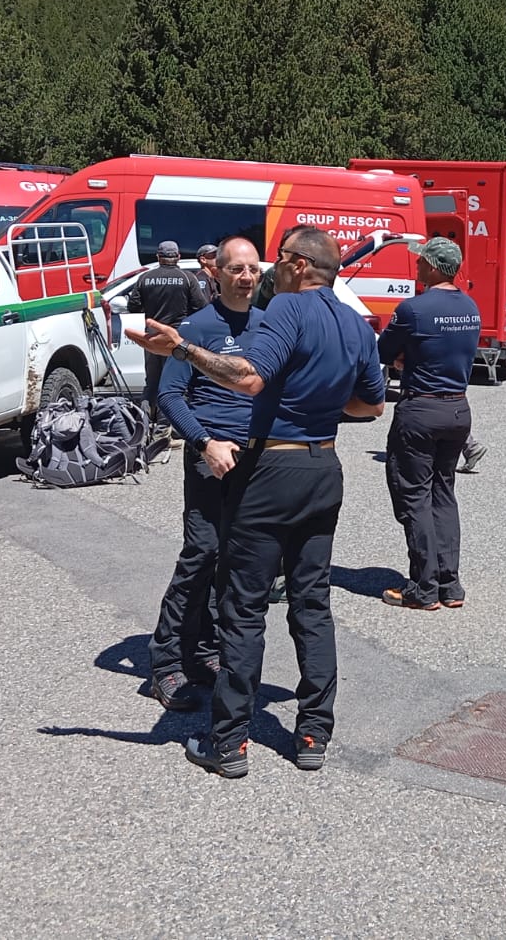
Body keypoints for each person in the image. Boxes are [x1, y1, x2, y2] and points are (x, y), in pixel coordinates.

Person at [127, 227, 384, 779]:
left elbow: (246, 378)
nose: (263, 275)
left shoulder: (289, 309)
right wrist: (318, 406)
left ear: (293, 264)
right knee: (311, 604)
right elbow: (370, 407)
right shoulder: (354, 324)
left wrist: (180, 348)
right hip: (324, 466)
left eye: (273, 264)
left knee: (243, 609)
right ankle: (313, 732)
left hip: (273, 470)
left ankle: (230, 743)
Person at [146, 235, 263, 711]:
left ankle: (207, 651)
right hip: (210, 457)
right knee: (202, 554)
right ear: (216, 273)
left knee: (234, 562)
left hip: (257, 461)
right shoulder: (195, 327)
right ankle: (167, 661)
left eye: (253, 268)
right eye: (236, 268)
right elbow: (169, 396)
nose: (246, 277)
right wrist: (204, 442)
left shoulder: (270, 324)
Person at [376, 237, 482, 610]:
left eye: (421, 262)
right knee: (444, 493)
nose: (416, 267)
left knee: (415, 495)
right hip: (457, 408)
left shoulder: (414, 309)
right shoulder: (470, 307)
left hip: (420, 408)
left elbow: (382, 352)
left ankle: (423, 587)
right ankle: (450, 584)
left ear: (435, 267)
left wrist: (407, 361)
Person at [127, 241, 207, 419]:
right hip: (177, 337)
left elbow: (132, 306)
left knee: (152, 382)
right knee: (173, 383)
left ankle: (144, 423)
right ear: (178, 257)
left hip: (152, 337)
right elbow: (202, 307)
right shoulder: (187, 278)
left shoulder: (145, 278)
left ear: (158, 257)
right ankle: (166, 424)